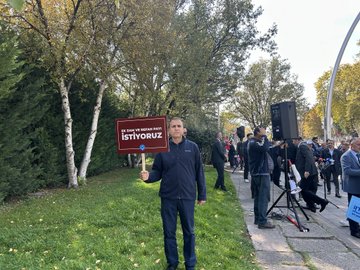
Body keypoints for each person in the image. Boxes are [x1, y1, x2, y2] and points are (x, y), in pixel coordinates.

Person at [139, 117, 207, 270]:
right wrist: (148, 177)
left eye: (179, 126)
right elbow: (157, 172)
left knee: (189, 232)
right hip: (168, 197)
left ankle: (190, 263)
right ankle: (172, 263)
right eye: (173, 126)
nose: (176, 128)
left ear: (184, 130)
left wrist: (202, 194)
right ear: (168, 130)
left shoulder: (193, 147)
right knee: (169, 232)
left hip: (187, 196)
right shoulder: (162, 148)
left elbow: (199, 172)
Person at [248, 126, 275, 229]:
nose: (265, 131)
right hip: (261, 173)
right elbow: (264, 147)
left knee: (258, 197)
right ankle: (262, 221)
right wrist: (265, 136)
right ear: (258, 132)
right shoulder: (255, 142)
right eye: (263, 130)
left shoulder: (254, 142)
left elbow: (265, 149)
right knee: (263, 197)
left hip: (257, 173)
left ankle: (258, 219)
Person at [293, 138, 328, 213]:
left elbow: (308, 158)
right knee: (304, 190)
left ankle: (321, 202)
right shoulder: (303, 146)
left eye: (293, 141)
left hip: (308, 172)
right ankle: (312, 205)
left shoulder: (302, 146)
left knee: (303, 189)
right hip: (309, 172)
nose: (293, 143)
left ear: (297, 140)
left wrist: (307, 170)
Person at [340, 137, 360, 238]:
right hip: (352, 187)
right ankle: (354, 230)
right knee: (354, 208)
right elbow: (347, 171)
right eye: (358, 145)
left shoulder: (358, 154)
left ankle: (357, 226)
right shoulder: (346, 156)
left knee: (358, 208)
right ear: (352, 145)